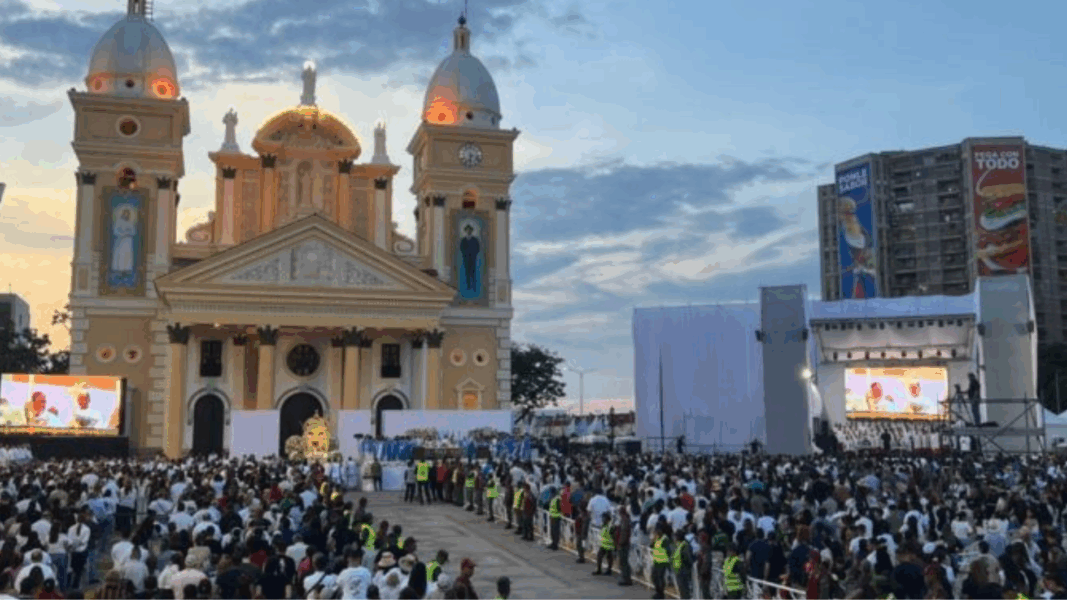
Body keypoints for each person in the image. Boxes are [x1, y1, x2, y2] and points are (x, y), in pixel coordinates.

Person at [650, 524, 671, 600]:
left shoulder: (665, 539)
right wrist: (653, 540)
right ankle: (658, 591)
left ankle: (661, 593)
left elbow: (668, 551)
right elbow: (652, 546)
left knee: (660, 578)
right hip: (656, 561)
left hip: (662, 562)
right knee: (654, 576)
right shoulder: (657, 538)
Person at [671, 528, 694, 599]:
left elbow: (688, 558)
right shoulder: (678, 544)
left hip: (683, 570)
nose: (674, 538)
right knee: (682, 589)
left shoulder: (685, 545)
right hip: (678, 570)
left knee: (685, 590)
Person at [615, 504, 633, 586]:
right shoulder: (624, 520)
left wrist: (620, 543)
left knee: (624, 562)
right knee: (623, 562)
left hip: (623, 544)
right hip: (623, 543)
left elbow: (624, 534)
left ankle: (626, 579)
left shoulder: (625, 521)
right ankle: (626, 578)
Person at [547, 487, 562, 551]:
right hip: (552, 517)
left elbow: (559, 508)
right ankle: (553, 543)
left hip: (556, 517)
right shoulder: (552, 499)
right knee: (552, 531)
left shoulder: (557, 499)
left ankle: (555, 544)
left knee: (556, 532)